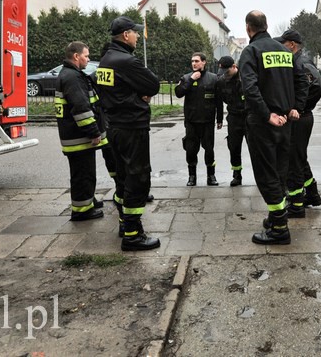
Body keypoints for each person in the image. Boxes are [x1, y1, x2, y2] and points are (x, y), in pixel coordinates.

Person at [238, 10, 308, 245]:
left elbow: (250, 88)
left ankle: (279, 228)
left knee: (266, 173)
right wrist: (294, 108)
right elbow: (301, 80)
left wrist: (267, 115)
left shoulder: (251, 52)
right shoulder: (285, 51)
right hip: (285, 123)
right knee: (279, 171)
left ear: (249, 28)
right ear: (266, 25)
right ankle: (275, 216)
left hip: (263, 124)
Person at [95, 16, 161, 251]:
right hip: (132, 127)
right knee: (138, 178)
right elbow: (154, 85)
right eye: (134, 33)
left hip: (115, 127)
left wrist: (134, 93)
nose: (136, 36)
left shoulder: (106, 60)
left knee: (123, 177)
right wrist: (139, 95)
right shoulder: (126, 61)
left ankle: (125, 223)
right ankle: (133, 234)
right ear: (125, 35)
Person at [54, 41, 108, 221]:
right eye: (86, 55)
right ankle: (82, 211)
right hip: (79, 138)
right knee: (83, 174)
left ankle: (88, 201)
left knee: (85, 173)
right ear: (76, 56)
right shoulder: (73, 78)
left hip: (75, 137)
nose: (88, 59)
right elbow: (81, 109)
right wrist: (94, 132)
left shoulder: (71, 74)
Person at [275, 29, 321, 216]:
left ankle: (296, 204)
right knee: (299, 158)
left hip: (300, 118)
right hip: (300, 116)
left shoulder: (301, 62)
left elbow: (318, 86)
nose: (281, 46)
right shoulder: (296, 61)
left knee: (293, 161)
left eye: (283, 43)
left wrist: (300, 107)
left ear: (291, 45)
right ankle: (312, 194)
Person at [174, 52, 223, 186]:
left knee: (209, 149)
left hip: (207, 121)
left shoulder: (214, 79)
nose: (194, 63)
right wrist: (191, 80)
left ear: (204, 62)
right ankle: (192, 176)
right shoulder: (186, 77)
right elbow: (178, 93)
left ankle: (211, 176)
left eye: (197, 61)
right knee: (191, 150)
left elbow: (218, 101)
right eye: (192, 61)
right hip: (191, 122)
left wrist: (219, 119)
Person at [216, 55, 247, 186]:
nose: (225, 75)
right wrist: (219, 119)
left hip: (249, 117)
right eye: (223, 72)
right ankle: (237, 175)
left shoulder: (246, 78)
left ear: (234, 67)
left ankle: (261, 176)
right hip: (234, 117)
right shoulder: (222, 81)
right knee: (234, 147)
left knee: (256, 149)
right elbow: (219, 100)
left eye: (227, 72)